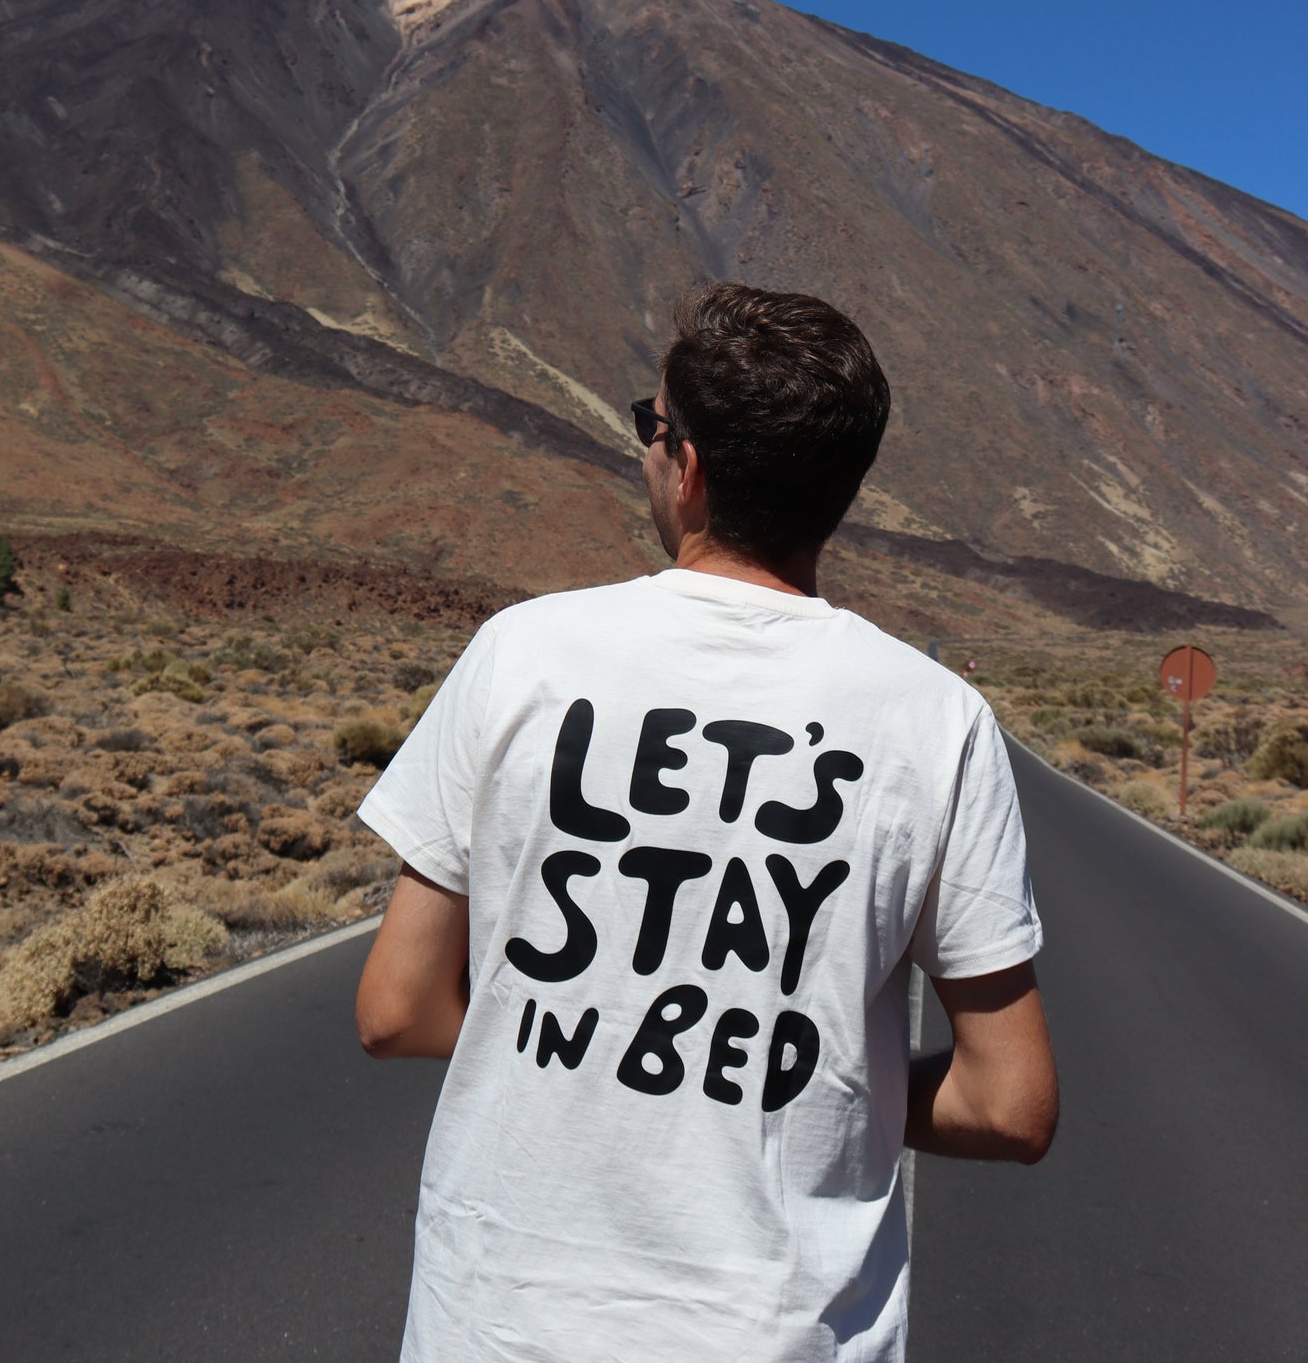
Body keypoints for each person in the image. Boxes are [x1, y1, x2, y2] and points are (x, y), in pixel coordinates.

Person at [355, 283, 1057, 1363]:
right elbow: (1008, 1105)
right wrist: (831, 1092)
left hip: (496, 1325)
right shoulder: (935, 722)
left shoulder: (522, 657)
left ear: (684, 467)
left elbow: (396, 1011)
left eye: (653, 425)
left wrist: (594, 1046)